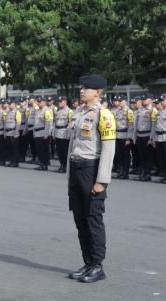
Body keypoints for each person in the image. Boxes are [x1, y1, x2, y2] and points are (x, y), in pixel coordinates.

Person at [67, 74, 116, 283]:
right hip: (77, 169)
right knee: (80, 219)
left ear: (97, 92)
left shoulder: (104, 115)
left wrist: (102, 180)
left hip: (92, 169)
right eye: (81, 87)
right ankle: (87, 262)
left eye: (86, 88)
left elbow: (108, 148)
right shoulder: (79, 113)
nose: (81, 91)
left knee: (93, 219)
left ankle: (97, 265)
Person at [53, 97, 73, 173]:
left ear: (65, 102)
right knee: (59, 151)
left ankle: (65, 166)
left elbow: (70, 124)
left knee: (65, 152)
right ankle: (61, 164)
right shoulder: (58, 112)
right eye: (59, 101)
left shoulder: (69, 111)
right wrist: (53, 133)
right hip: (58, 132)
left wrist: (69, 134)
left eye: (60, 101)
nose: (59, 103)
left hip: (64, 133)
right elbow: (55, 123)